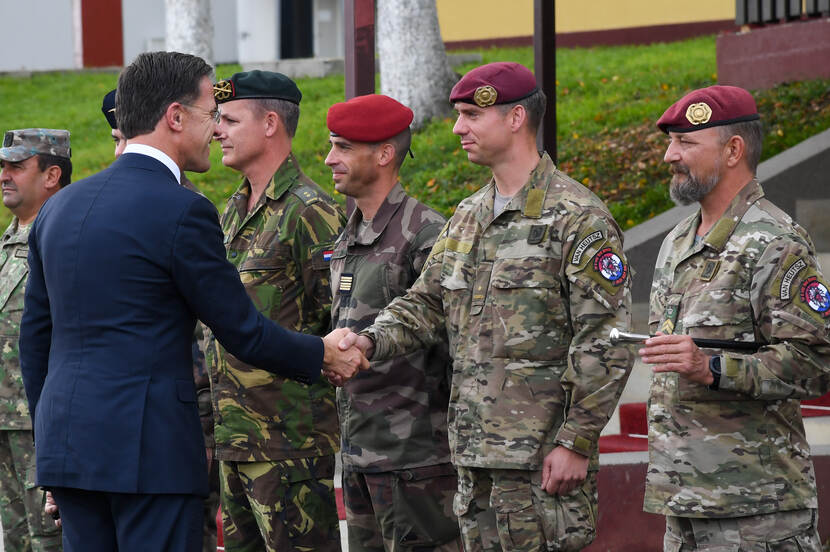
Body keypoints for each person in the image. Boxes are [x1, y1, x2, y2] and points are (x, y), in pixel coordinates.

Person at [18, 51, 365, 552]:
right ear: (175, 118)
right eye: (209, 116)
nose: (215, 130)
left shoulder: (58, 209)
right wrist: (324, 353)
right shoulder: (183, 209)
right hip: (149, 453)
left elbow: (36, 341)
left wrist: (50, 448)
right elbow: (242, 329)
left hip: (68, 449)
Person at [339, 62, 633, 551]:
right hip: (473, 457)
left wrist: (576, 440)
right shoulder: (469, 216)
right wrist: (368, 339)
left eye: (470, 115)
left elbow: (605, 340)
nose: (458, 128)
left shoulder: (578, 218)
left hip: (538, 462)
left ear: (516, 118)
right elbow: (425, 303)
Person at [638, 85, 830, 550]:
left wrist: (712, 368)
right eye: (670, 142)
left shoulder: (775, 240)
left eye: (685, 143)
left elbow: (815, 362)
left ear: (733, 150)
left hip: (757, 512)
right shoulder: (677, 241)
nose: (670, 155)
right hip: (683, 506)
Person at [209, 70, 345, 551]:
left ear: (270, 124)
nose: (216, 129)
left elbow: (340, 325)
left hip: (289, 445)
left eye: (228, 118)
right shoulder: (233, 209)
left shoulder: (310, 211)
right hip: (237, 439)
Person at [325, 94, 461, 551]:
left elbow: (446, 331)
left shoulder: (424, 234)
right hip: (362, 454)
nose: (330, 159)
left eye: (343, 147)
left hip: (414, 460)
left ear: (384, 154)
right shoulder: (349, 237)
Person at [0, 128, 70, 552]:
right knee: (19, 541)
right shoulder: (9, 241)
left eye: (17, 166)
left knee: (53, 541)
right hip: (9, 426)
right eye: (2, 166)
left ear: (51, 175)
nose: (5, 175)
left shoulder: (63, 236)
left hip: (42, 424)